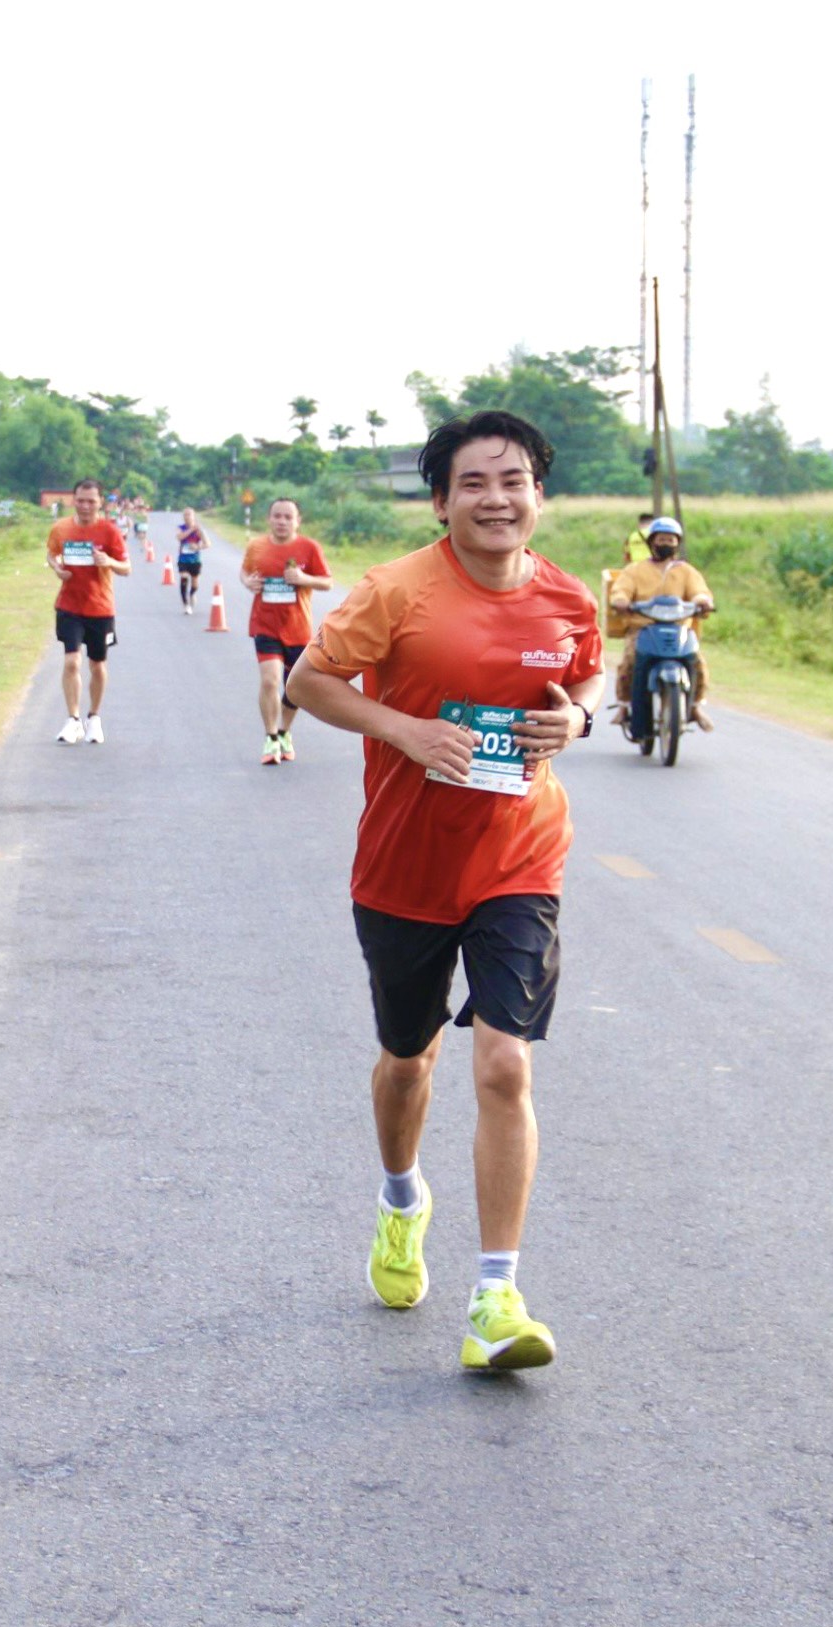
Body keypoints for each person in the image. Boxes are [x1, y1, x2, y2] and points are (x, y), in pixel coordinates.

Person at [284, 410, 605, 1373]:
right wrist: (404, 730)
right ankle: (399, 1200)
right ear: (442, 500)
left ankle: (497, 1298)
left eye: (514, 481)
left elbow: (589, 675)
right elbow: (308, 682)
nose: (497, 499)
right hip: (405, 869)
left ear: (539, 496)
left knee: (505, 1066)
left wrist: (577, 723)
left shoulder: (567, 599)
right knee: (408, 1061)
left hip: (519, 859)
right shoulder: (397, 592)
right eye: (474, 483)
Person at [239, 497, 334, 765]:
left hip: (298, 629)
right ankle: (270, 738)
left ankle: (284, 732)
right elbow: (244, 572)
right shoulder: (257, 546)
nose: (282, 521)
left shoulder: (309, 548)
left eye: (288, 517)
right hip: (265, 625)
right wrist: (249, 582)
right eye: (277, 516)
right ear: (269, 519)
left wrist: (304, 579)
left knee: (294, 688)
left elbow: (327, 582)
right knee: (269, 680)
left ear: (297, 521)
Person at [605, 515, 717, 732]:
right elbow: (621, 591)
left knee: (697, 662)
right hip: (642, 627)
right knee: (630, 661)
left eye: (670, 540)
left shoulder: (686, 571)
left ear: (677, 543)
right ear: (651, 542)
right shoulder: (635, 570)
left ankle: (695, 706)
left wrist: (702, 601)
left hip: (678, 628)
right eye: (661, 539)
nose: (666, 544)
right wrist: (621, 601)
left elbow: (699, 592)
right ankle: (625, 706)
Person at [47, 478, 131, 745]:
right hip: (69, 605)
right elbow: (51, 553)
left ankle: (93, 717)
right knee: (72, 661)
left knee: (97, 665)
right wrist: (57, 568)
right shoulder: (61, 528)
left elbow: (127, 567)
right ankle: (72, 720)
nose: (85, 506)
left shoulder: (109, 532)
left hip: (100, 607)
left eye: (91, 501)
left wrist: (109, 561)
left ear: (100, 502)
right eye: (81, 500)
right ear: (74, 500)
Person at [174, 509, 208, 613]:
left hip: (195, 560)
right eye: (185, 515)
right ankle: (186, 605)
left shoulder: (199, 530)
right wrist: (191, 529)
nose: (187, 517)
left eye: (189, 515)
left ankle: (192, 594)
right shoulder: (180, 528)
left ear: (193, 516)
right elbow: (179, 537)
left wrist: (197, 546)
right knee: (183, 578)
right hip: (183, 559)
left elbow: (207, 544)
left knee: (195, 584)